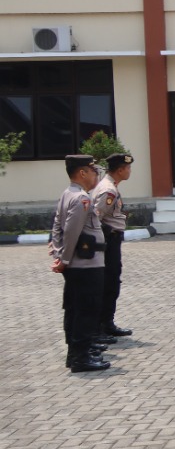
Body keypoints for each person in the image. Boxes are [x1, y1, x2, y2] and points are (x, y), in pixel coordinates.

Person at [49, 154, 109, 371]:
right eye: (93, 171)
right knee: (86, 310)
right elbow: (71, 232)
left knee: (75, 309)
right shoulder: (81, 198)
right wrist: (63, 259)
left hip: (78, 264)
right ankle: (81, 358)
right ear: (82, 172)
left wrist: (58, 253)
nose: (96, 175)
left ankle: (75, 354)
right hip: (86, 265)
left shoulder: (68, 194)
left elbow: (57, 226)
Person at [93, 152, 136, 338]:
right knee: (109, 282)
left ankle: (107, 323)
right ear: (120, 170)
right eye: (128, 168)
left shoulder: (110, 186)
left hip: (111, 238)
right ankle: (101, 326)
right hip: (108, 239)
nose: (130, 171)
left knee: (112, 280)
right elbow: (94, 217)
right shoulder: (108, 190)